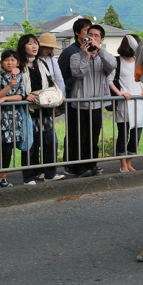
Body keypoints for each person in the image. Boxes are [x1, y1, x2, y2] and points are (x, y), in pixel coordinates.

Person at [17, 34, 65, 185]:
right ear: (23, 46)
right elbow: (14, 86)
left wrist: (58, 94)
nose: (34, 46)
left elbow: (51, 82)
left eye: (35, 43)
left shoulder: (41, 63)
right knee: (30, 145)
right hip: (28, 111)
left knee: (51, 142)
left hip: (45, 108)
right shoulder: (18, 65)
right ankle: (29, 177)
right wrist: (24, 96)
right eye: (30, 43)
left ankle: (50, 173)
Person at [70, 24, 117, 177]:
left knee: (94, 136)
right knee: (80, 137)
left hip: (97, 104)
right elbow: (78, 74)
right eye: (90, 34)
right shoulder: (76, 56)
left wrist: (99, 50)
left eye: (96, 36)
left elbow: (113, 65)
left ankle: (92, 164)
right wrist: (86, 56)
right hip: (80, 104)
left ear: (101, 39)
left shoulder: (103, 57)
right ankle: (80, 167)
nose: (92, 38)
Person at [108, 34, 143, 172]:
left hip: (139, 103)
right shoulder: (116, 62)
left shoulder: (139, 61)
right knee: (123, 135)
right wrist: (120, 94)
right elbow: (110, 81)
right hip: (124, 103)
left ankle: (129, 163)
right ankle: (123, 165)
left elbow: (142, 80)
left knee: (136, 135)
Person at [58, 18, 91, 175]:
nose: (88, 34)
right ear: (77, 32)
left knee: (87, 133)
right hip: (73, 98)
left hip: (89, 98)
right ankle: (71, 165)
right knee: (74, 133)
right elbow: (60, 76)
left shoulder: (93, 50)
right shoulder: (69, 52)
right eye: (85, 31)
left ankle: (85, 164)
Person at [0, 50, 25, 188]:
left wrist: (6, 98)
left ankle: (3, 178)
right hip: (1, 118)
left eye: (13, 60)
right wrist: (9, 87)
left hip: (15, 118)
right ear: (1, 62)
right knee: (5, 152)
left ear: (18, 63)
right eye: (7, 60)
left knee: (10, 151)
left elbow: (20, 96)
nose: (10, 62)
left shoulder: (19, 76)